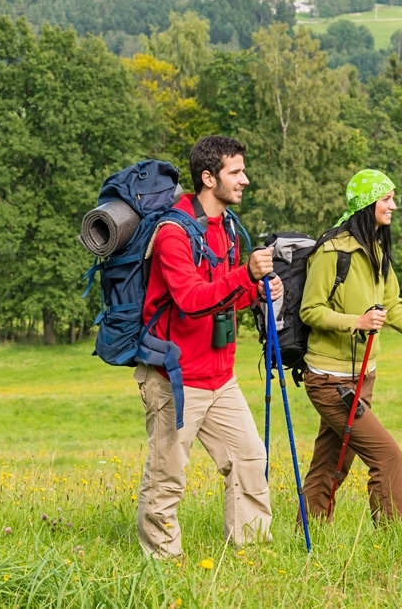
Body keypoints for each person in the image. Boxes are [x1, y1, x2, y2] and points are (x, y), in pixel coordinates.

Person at [135, 135, 281, 559]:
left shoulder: (229, 228)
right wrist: (245, 276)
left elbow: (224, 296)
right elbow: (192, 300)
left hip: (220, 377)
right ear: (208, 177)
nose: (245, 180)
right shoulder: (173, 233)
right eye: (235, 172)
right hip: (174, 379)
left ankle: (251, 552)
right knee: (168, 477)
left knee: (250, 459)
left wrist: (256, 290)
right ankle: (163, 563)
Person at [299, 169, 402, 523]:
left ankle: (306, 533)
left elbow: (395, 308)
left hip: (361, 378)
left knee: (331, 462)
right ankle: (393, 537)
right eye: (387, 199)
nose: (394, 206)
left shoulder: (378, 249)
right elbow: (310, 310)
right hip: (330, 381)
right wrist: (356, 322)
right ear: (367, 203)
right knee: (388, 456)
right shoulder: (332, 251)